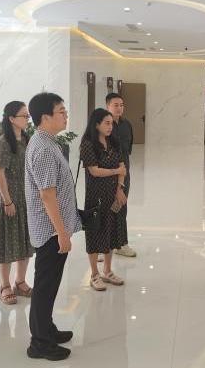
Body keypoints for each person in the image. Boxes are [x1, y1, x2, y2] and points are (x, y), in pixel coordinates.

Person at [25, 92, 81, 361]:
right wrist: (61, 233)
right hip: (50, 231)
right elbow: (47, 194)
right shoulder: (44, 148)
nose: (65, 115)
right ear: (45, 117)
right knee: (45, 286)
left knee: (49, 284)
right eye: (61, 111)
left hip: (52, 229)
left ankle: (46, 329)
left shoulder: (47, 141)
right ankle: (40, 343)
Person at [80, 108, 128, 291]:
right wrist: (116, 171)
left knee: (111, 232)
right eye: (106, 123)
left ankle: (107, 271)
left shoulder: (114, 142)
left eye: (111, 123)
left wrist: (120, 188)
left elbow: (123, 167)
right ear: (96, 124)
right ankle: (94, 274)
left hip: (113, 195)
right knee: (94, 233)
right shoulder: (88, 145)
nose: (110, 127)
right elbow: (94, 171)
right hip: (96, 197)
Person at [0, 101, 35, 305]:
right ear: (11, 118)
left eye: (28, 116)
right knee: (7, 243)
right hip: (9, 199)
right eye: (23, 116)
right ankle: (5, 285)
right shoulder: (3, 143)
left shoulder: (27, 140)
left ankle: (20, 281)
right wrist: (7, 201)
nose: (27, 119)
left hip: (26, 198)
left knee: (25, 241)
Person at [106, 92, 136, 258]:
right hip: (107, 174)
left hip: (124, 172)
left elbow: (127, 150)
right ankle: (104, 246)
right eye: (115, 105)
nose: (119, 108)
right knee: (107, 209)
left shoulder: (127, 125)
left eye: (121, 105)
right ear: (108, 106)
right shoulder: (103, 125)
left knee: (121, 207)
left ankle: (121, 244)